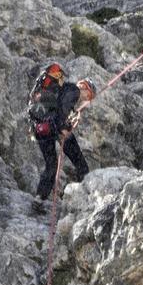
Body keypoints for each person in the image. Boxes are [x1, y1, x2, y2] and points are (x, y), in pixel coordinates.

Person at [28, 63, 96, 200]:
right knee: (79, 160)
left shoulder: (60, 91)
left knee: (51, 165)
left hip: (40, 128)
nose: (87, 100)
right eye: (89, 96)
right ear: (84, 87)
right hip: (54, 127)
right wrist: (64, 127)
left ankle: (40, 197)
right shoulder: (74, 90)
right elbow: (62, 110)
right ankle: (85, 194)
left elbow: (59, 108)